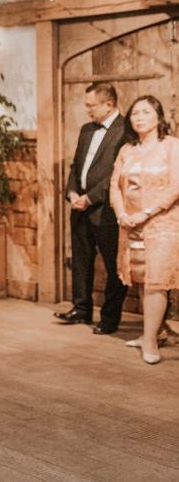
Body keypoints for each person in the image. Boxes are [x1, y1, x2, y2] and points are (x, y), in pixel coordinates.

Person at [110, 95, 179, 364]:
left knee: (156, 281)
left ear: (158, 118)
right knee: (140, 276)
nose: (139, 117)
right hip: (130, 224)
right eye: (135, 113)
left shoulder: (172, 146)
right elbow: (115, 185)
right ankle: (152, 332)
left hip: (161, 223)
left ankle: (150, 341)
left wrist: (147, 213)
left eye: (146, 112)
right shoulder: (127, 149)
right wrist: (122, 213)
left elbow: (176, 185)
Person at [55, 82, 127, 334]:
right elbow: (77, 165)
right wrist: (72, 192)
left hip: (106, 208)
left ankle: (109, 318)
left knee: (113, 266)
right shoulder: (87, 129)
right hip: (80, 206)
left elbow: (119, 176)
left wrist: (91, 197)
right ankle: (81, 309)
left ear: (109, 104)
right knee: (81, 260)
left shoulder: (126, 130)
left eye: (91, 105)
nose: (87, 110)